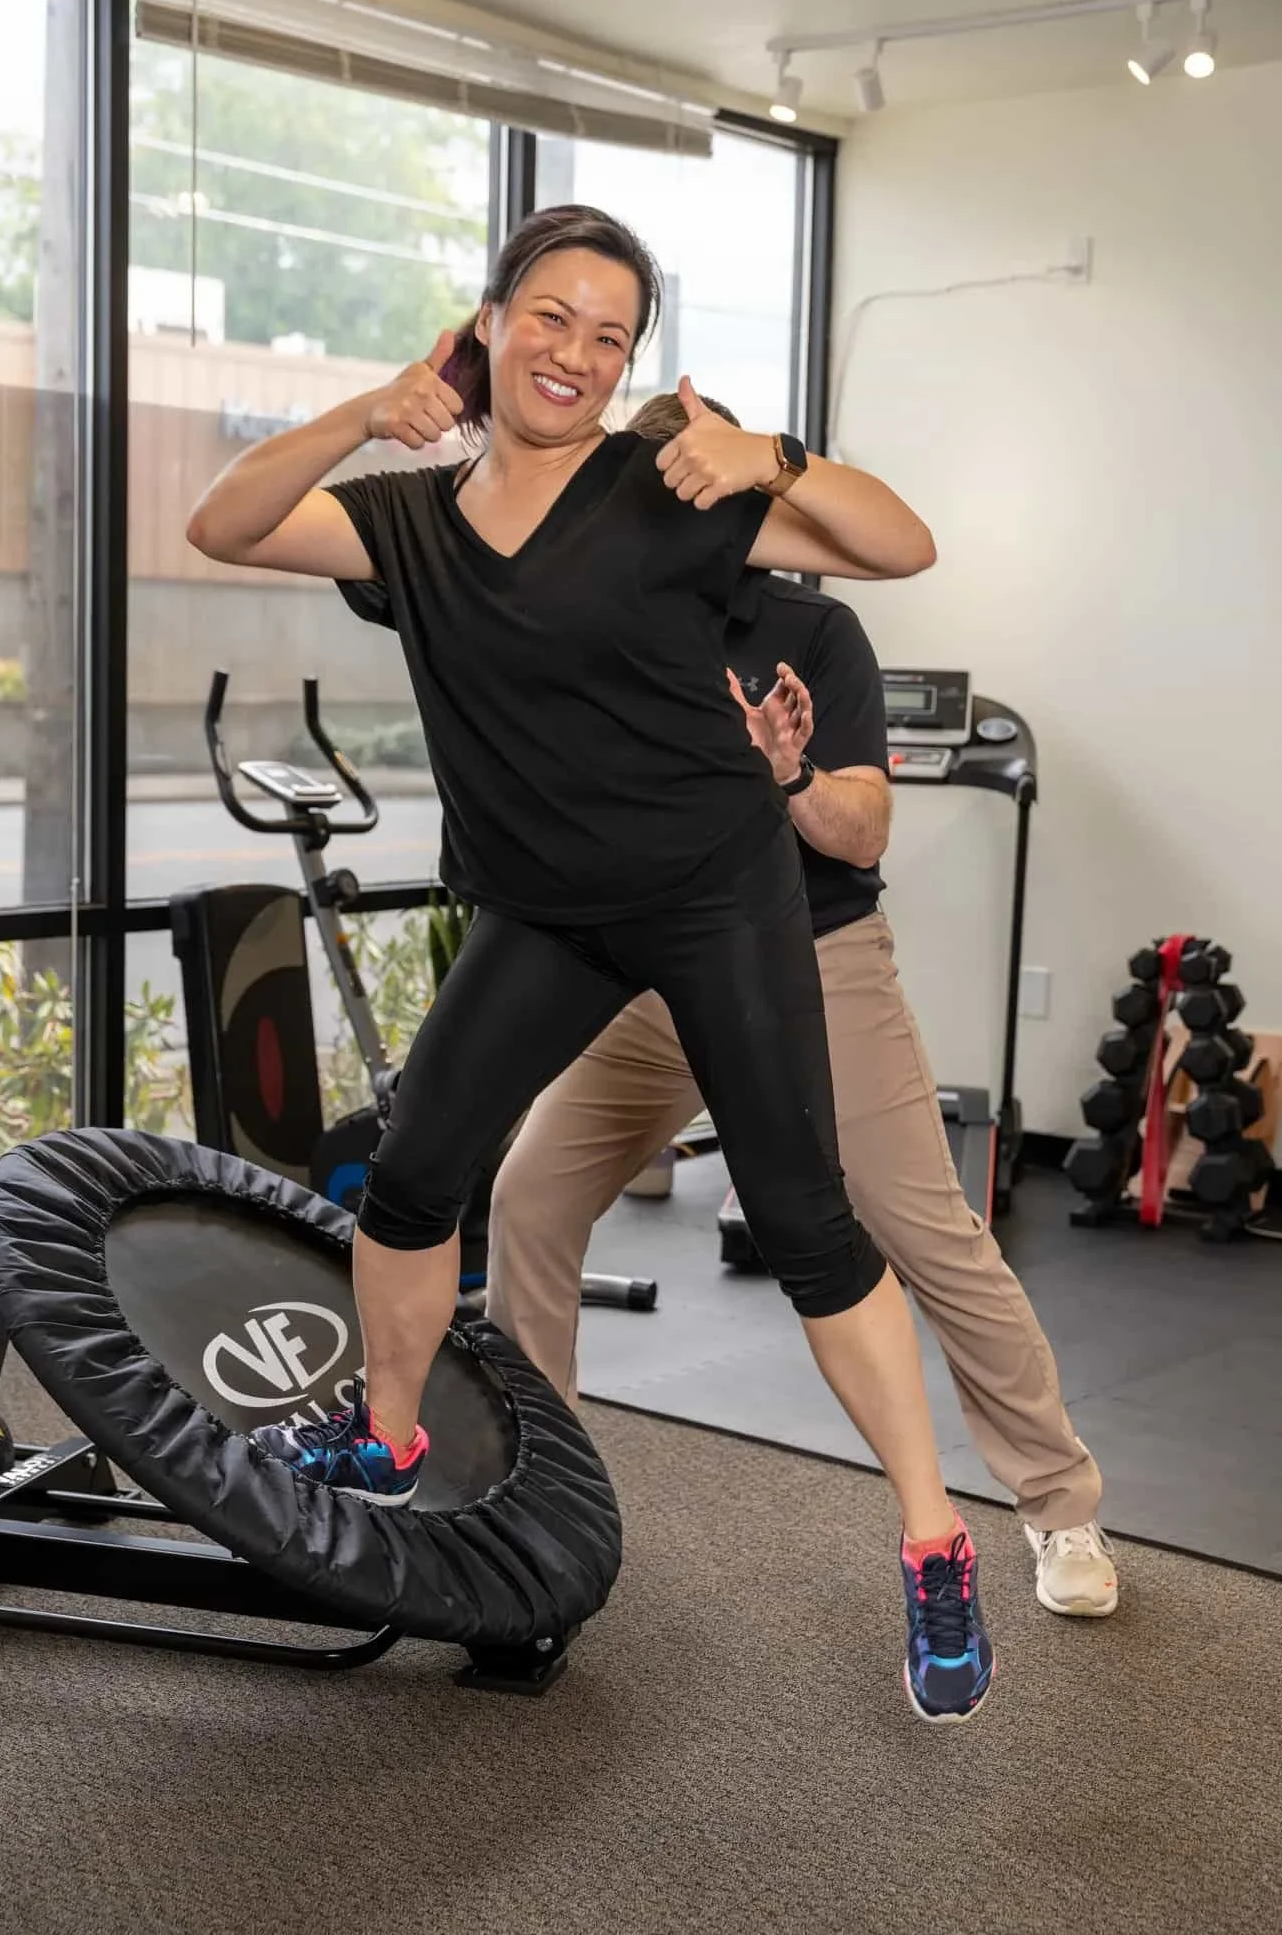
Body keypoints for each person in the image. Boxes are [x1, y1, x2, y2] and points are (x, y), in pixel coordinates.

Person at [186, 203, 992, 1723]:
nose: (575, 352)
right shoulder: (409, 521)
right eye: (549, 315)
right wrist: (367, 411)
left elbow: (905, 544)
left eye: (610, 335)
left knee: (807, 1223)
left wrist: (772, 457)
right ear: (488, 322)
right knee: (415, 1176)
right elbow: (222, 524)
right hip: (542, 912)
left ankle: (933, 1537)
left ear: (630, 367)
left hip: (712, 895)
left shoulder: (665, 488)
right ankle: (390, 1436)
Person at [487, 390, 1118, 1624]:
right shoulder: (606, 619)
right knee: (529, 1196)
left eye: (704, 481)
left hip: (814, 956)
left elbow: (864, 828)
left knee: (925, 1228)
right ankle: (539, 1498)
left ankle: (1061, 1501)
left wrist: (785, 772)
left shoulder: (813, 631)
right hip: (653, 968)